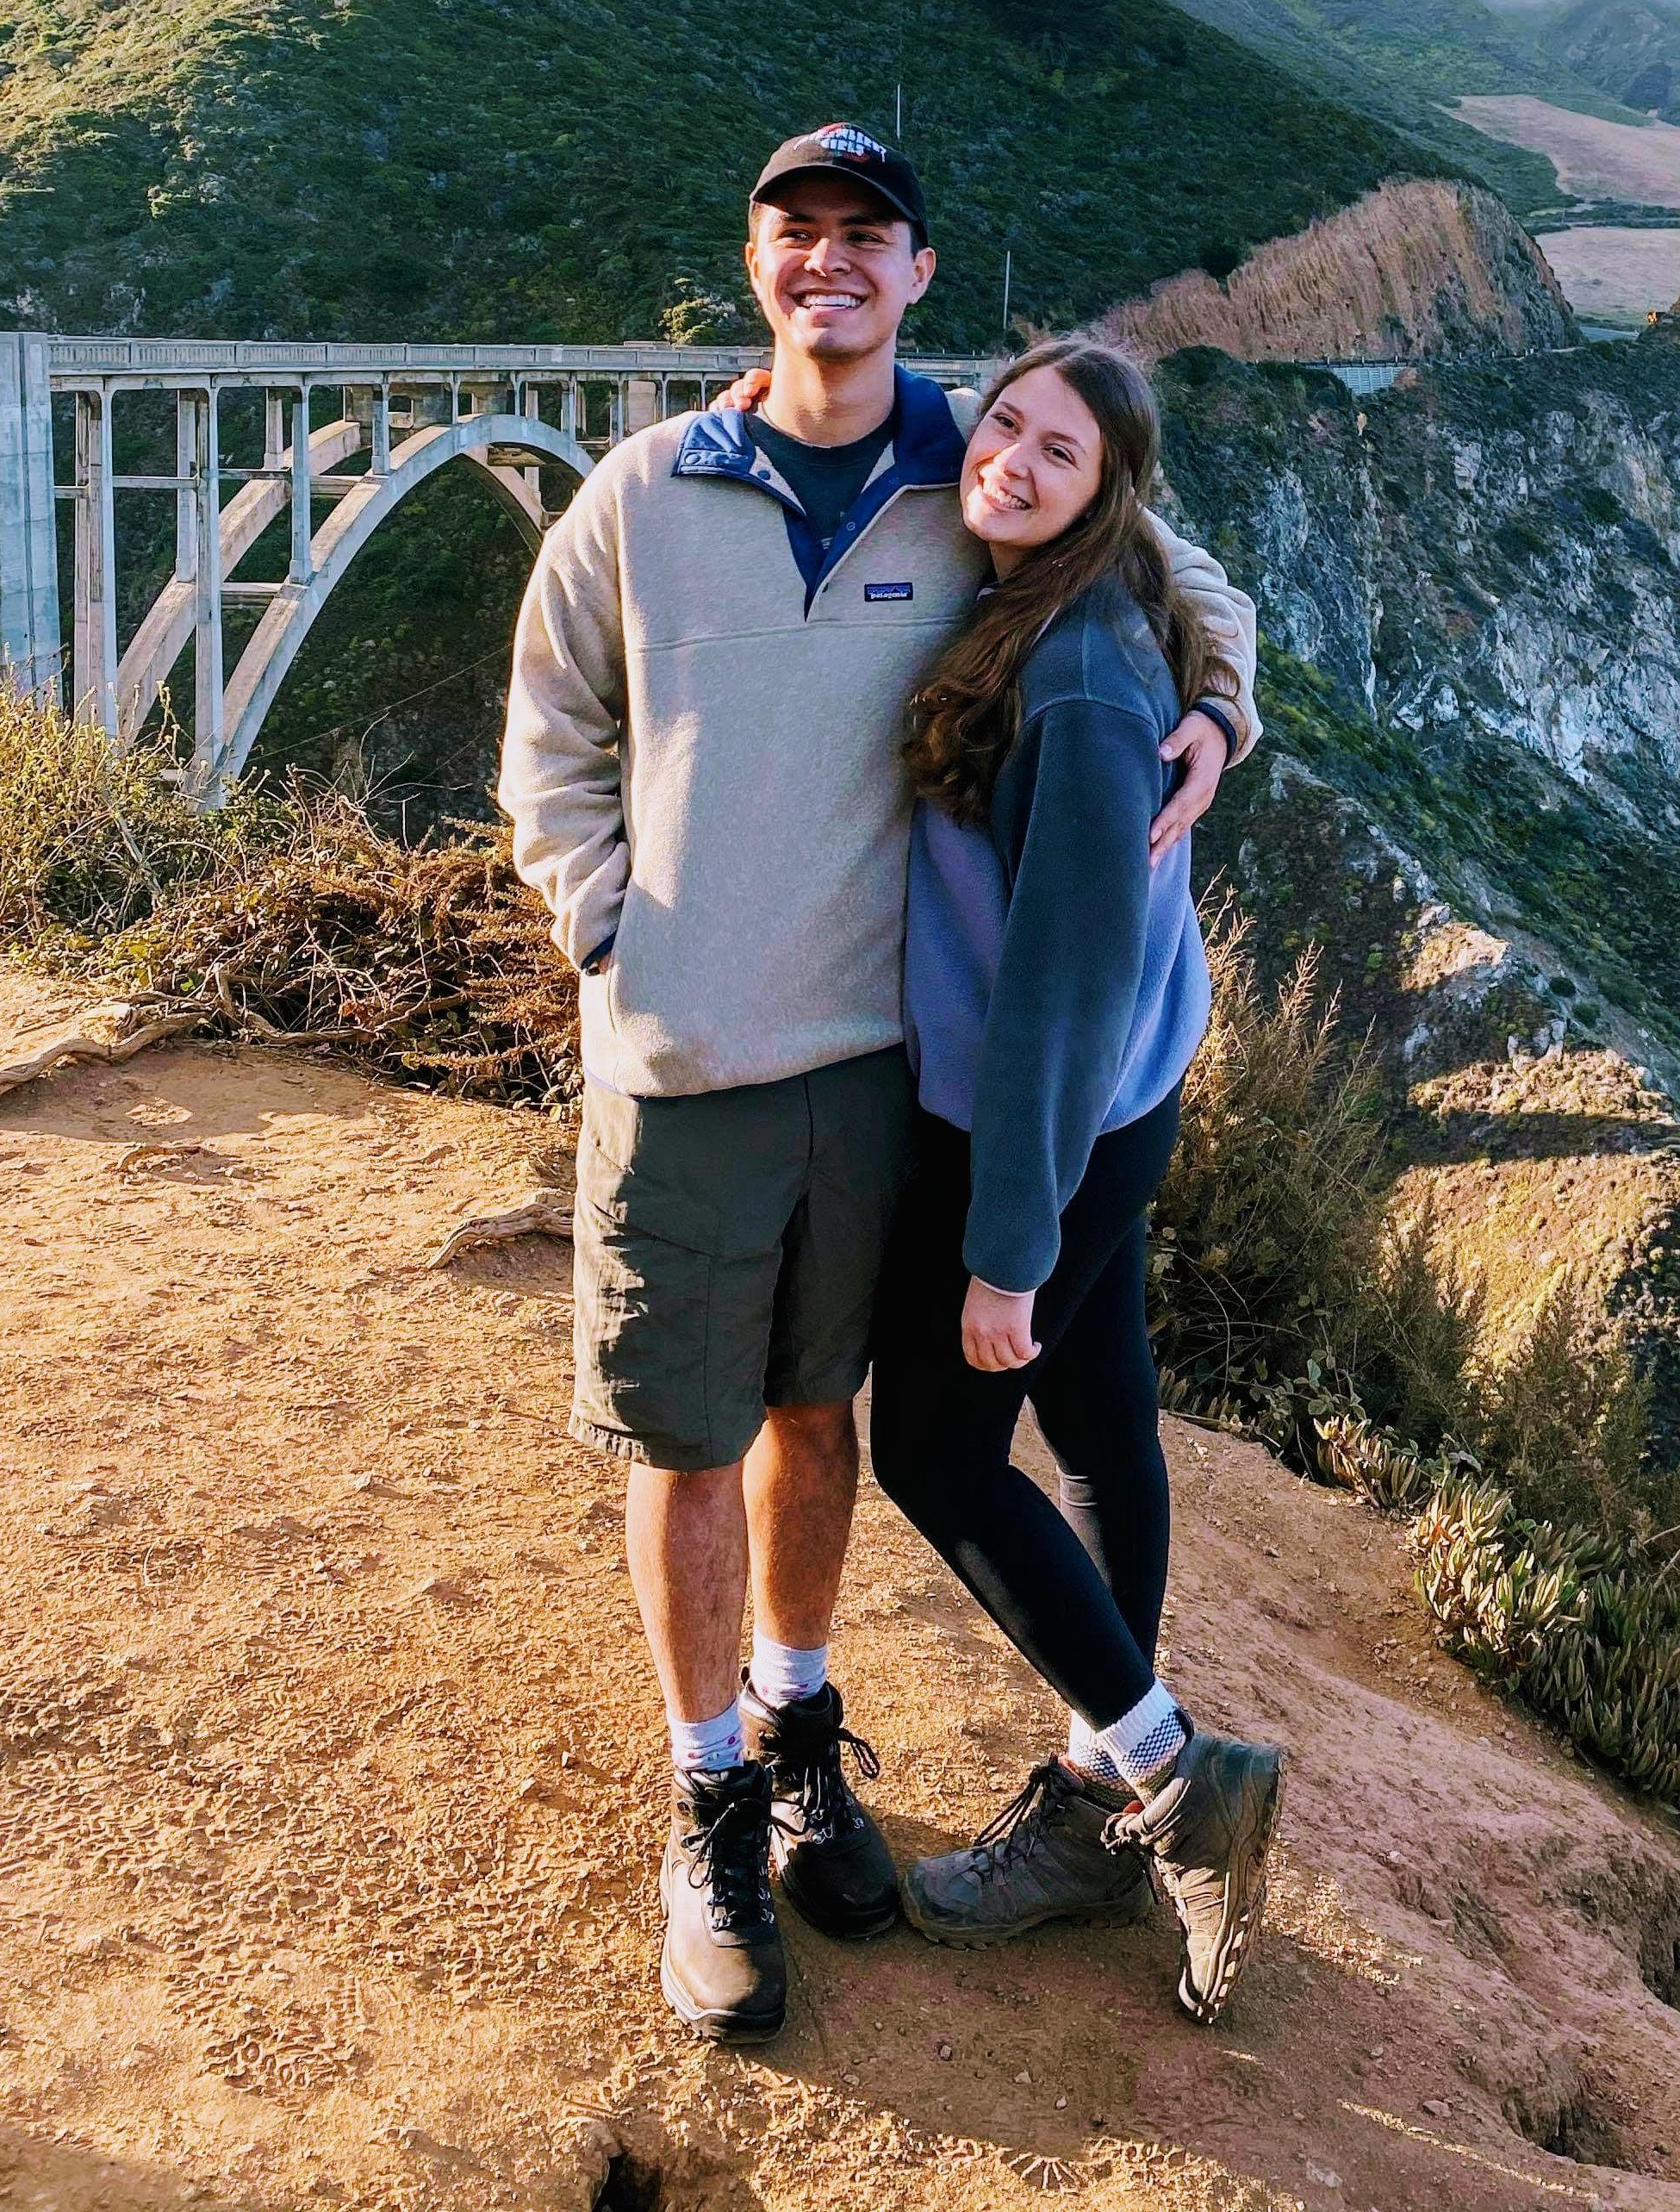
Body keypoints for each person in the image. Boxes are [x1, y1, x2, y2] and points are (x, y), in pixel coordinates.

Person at [497, 127, 1262, 2047]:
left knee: (827, 1423)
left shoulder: (970, 464)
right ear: (752, 263)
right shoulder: (645, 491)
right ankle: (710, 1803)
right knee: (684, 1443)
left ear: (918, 272)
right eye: (794, 232)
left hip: (882, 1073)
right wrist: (615, 929)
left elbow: (1187, 585)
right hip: (684, 1066)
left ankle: (802, 1720)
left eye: (867, 235)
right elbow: (547, 734)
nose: (829, 260)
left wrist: (1222, 711)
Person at [863, 336, 1286, 2028]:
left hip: (1050, 1108)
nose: (1017, 462)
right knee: (1107, 1419)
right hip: (1122, 1093)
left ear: (1111, 493)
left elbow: (1058, 981)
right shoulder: (1063, 582)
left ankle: (1171, 1779)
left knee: (939, 1446)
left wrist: (1006, 1251)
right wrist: (1230, 703)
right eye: (1006, 428)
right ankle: (1102, 1808)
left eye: (1061, 449)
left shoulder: (1092, 682)